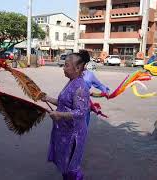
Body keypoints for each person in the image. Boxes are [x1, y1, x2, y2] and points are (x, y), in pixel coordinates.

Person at [42, 52, 90, 180]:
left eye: (66, 65)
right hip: (63, 131)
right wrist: (47, 98)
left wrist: (59, 114)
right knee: (64, 164)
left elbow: (81, 112)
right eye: (64, 65)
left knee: (71, 167)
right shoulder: (71, 82)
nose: (64, 68)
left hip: (73, 135)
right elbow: (64, 102)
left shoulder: (81, 87)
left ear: (78, 68)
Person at [80, 50, 110, 126]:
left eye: (83, 62)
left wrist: (106, 91)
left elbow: (99, 85)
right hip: (72, 104)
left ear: (86, 63)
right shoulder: (73, 73)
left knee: (83, 127)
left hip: (85, 105)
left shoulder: (90, 75)